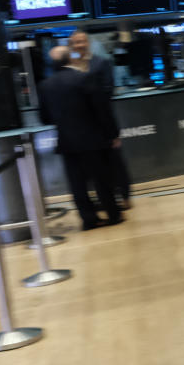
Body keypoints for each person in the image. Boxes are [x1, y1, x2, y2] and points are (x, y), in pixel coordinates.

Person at [37, 46, 123, 230]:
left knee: (77, 184)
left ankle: (89, 219)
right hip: (94, 139)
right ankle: (113, 214)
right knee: (102, 180)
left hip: (67, 142)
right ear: (71, 59)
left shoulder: (45, 86)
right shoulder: (85, 78)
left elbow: (45, 118)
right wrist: (113, 134)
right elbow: (102, 110)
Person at [68, 28, 131, 209]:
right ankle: (105, 200)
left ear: (87, 43)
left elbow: (108, 90)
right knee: (93, 167)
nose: (79, 45)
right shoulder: (69, 67)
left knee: (115, 162)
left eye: (82, 41)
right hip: (82, 127)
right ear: (72, 45)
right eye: (76, 42)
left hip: (102, 123)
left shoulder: (101, 63)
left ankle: (125, 196)